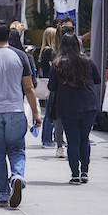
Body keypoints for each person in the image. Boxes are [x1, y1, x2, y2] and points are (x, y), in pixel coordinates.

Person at [0, 20, 41, 208]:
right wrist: (36, 113)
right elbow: (29, 88)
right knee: (17, 149)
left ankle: (3, 193)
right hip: (15, 111)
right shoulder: (21, 56)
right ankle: (17, 176)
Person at [48, 34, 101, 184]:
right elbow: (97, 79)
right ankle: (85, 171)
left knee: (73, 141)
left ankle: (75, 174)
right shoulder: (88, 61)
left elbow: (52, 87)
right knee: (85, 138)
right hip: (89, 104)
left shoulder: (57, 64)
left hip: (67, 106)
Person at [39, 27, 65, 157]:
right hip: (50, 84)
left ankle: (48, 138)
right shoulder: (49, 51)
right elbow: (54, 67)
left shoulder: (44, 50)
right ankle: (47, 139)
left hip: (47, 82)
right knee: (50, 113)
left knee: (49, 112)